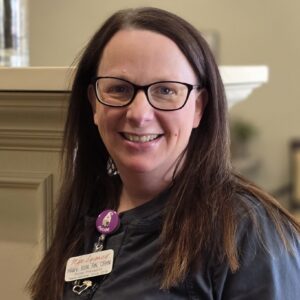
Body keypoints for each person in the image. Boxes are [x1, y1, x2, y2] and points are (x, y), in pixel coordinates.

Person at [27, 7, 300, 300]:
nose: (139, 114)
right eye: (119, 89)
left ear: (199, 107)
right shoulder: (89, 205)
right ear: (94, 103)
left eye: (166, 90)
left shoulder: (250, 232)